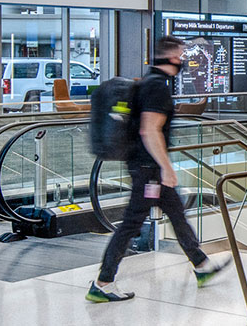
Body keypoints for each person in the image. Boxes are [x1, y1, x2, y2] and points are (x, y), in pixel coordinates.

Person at [90, 36, 229, 303]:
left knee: (176, 212)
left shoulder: (147, 83)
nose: (184, 62)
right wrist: (166, 168)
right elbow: (149, 129)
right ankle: (103, 281)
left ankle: (201, 265)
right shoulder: (157, 88)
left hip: (146, 165)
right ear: (171, 58)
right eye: (181, 56)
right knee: (131, 224)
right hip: (148, 168)